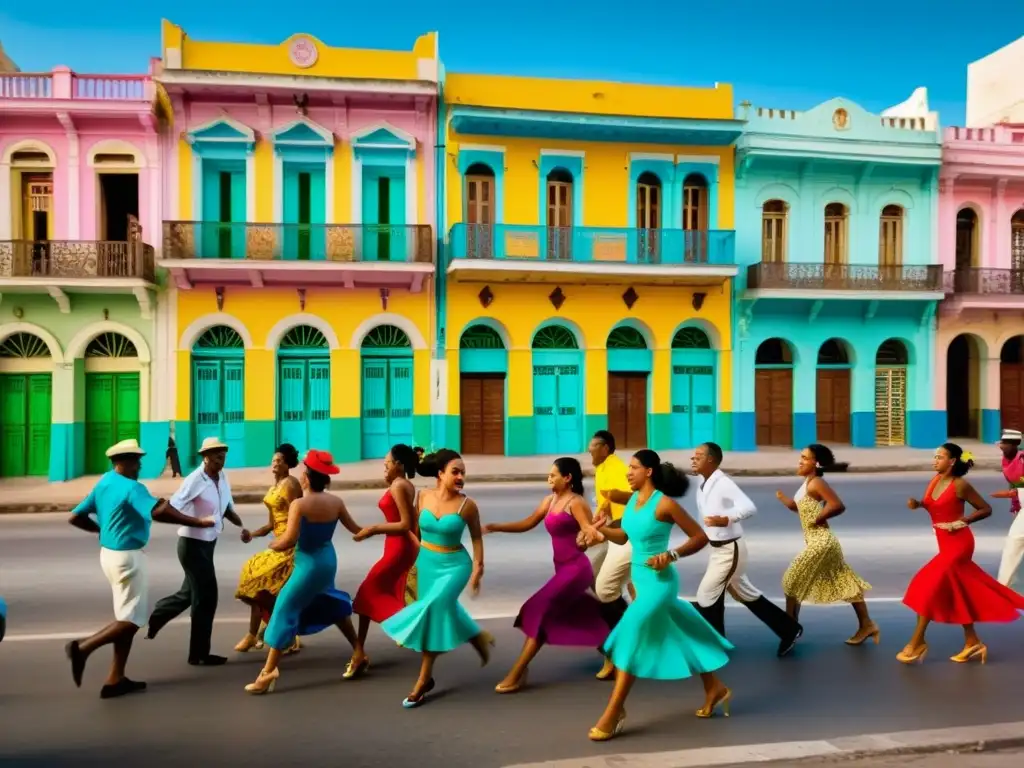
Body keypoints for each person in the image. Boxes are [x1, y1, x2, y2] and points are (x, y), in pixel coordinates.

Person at [582, 449, 732, 742]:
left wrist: (671, 554)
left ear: (649, 471)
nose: (628, 472)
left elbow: (700, 536)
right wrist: (600, 533)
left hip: (660, 583)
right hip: (640, 580)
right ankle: (715, 689)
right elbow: (625, 537)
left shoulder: (663, 504)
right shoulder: (634, 504)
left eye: (634, 468)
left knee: (632, 637)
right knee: (680, 633)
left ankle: (614, 712)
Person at [64, 439, 216, 698]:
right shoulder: (133, 488)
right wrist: (199, 522)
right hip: (128, 560)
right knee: (133, 621)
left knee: (126, 616)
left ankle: (115, 678)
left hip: (109, 556)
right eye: (135, 460)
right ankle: (83, 648)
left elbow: (75, 516)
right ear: (122, 461)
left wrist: (101, 530)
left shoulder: (105, 481)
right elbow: (160, 511)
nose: (140, 464)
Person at [381, 449, 495, 708]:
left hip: (456, 565)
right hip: (427, 563)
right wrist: (411, 559)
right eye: (455, 471)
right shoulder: (422, 496)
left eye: (463, 472)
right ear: (440, 473)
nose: (461, 476)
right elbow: (415, 532)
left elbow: (476, 537)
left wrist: (478, 567)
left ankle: (423, 680)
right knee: (441, 609)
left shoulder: (468, 505)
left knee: (433, 608)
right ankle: (475, 636)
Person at [484, 457, 609, 693]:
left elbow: (587, 533)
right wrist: (496, 527)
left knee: (538, 611)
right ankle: (613, 648)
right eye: (549, 475)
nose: (548, 479)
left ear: (567, 478)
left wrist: (594, 533)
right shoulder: (550, 501)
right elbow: (528, 523)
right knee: (578, 616)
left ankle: (517, 672)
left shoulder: (576, 502)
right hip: (561, 568)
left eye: (553, 475)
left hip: (575, 570)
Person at [244, 450, 361, 693]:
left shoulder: (300, 504)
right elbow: (356, 530)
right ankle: (359, 652)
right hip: (328, 561)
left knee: (284, 608)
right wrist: (383, 529)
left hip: (307, 564)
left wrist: (272, 544)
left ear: (307, 476)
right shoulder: (336, 502)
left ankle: (268, 672)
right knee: (329, 602)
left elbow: (288, 540)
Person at [899, 442, 1024, 665]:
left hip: (959, 545)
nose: (934, 460)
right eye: (934, 456)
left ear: (952, 461)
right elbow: (933, 506)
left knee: (927, 588)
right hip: (944, 544)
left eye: (939, 457)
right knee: (956, 591)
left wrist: (961, 521)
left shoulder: (960, 485)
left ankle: (917, 642)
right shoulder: (935, 481)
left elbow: (986, 508)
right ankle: (972, 641)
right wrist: (917, 504)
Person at [691, 442, 803, 657]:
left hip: (729, 549)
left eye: (698, 456)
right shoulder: (702, 482)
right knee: (745, 593)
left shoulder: (723, 483)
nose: (693, 459)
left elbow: (749, 507)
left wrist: (727, 518)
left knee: (706, 594)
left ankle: (715, 645)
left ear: (711, 460)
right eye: (693, 456)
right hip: (718, 549)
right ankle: (790, 629)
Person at [146, 437, 250, 666]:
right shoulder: (195, 480)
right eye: (215, 455)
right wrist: (198, 522)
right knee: (207, 597)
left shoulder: (222, 476)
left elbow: (226, 507)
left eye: (222, 454)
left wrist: (241, 525)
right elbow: (172, 509)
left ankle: (159, 614)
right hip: (191, 545)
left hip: (208, 543)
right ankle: (199, 654)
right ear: (205, 456)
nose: (220, 459)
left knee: (189, 593)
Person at [776, 444, 877, 645]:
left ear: (816, 463)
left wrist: (819, 518)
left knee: (791, 581)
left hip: (822, 542)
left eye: (805, 458)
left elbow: (837, 505)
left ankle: (790, 630)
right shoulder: (808, 483)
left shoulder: (817, 483)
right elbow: (801, 508)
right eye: (801, 457)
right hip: (821, 541)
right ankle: (867, 625)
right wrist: (784, 499)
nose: (800, 461)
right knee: (845, 582)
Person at [345, 444, 420, 679]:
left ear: (398, 465)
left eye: (387, 463)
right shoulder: (402, 484)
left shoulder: (399, 486)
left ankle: (411, 626)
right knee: (370, 594)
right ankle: (359, 653)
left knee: (368, 591)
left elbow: (406, 523)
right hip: (397, 545)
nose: (384, 467)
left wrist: (373, 529)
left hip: (398, 547)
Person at [233, 443, 303, 654]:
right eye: (273, 460)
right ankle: (255, 634)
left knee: (261, 586)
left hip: (288, 547)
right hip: (277, 545)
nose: (275, 463)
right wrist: (252, 535)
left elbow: (299, 516)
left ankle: (275, 633)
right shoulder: (274, 488)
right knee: (253, 578)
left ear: (287, 464)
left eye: (279, 461)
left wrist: (290, 543)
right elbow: (271, 524)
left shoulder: (291, 485)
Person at [586, 430, 635, 681]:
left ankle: (615, 646)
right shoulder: (601, 469)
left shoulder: (616, 467)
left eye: (593, 446)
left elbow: (633, 497)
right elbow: (603, 503)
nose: (589, 451)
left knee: (601, 586)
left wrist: (605, 529)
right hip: (614, 531)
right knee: (598, 583)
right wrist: (597, 519)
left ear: (605, 448)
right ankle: (625, 632)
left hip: (624, 533)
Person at [992, 429, 1024, 588]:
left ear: (1014, 445)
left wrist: (1012, 492)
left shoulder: (1022, 460)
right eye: (1001, 443)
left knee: (1014, 542)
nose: (1001, 446)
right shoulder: (1006, 460)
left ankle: (1003, 586)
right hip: (1021, 503)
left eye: (1005, 444)